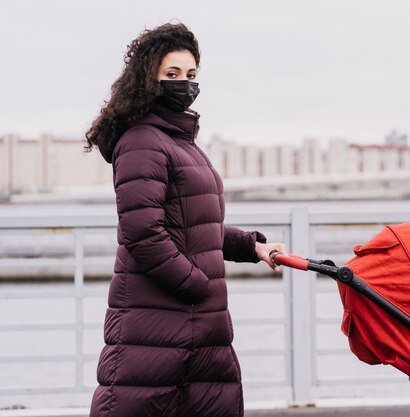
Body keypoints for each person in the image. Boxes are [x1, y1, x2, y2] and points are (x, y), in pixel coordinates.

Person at [84, 22, 286, 417]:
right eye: (172, 75)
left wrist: (253, 246)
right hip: (157, 321)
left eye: (191, 75)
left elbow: (195, 226)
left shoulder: (180, 142)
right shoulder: (142, 140)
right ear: (148, 81)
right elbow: (143, 233)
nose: (185, 83)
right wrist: (196, 283)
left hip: (197, 325)